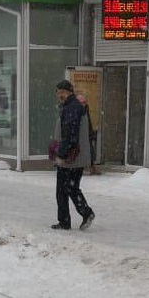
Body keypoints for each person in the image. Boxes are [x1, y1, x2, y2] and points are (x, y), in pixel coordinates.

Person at [51, 79, 95, 231]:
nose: (59, 95)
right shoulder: (72, 107)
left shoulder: (71, 108)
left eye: (61, 92)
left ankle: (75, 217)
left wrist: (61, 155)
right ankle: (77, 216)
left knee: (64, 189)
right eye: (58, 93)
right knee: (71, 188)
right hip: (76, 157)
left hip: (71, 158)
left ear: (67, 92)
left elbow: (70, 135)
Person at [76, 91, 101, 175]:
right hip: (78, 135)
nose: (84, 104)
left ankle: (91, 166)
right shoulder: (76, 111)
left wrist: (90, 133)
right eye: (82, 102)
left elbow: (88, 123)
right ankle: (81, 167)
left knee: (90, 150)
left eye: (85, 102)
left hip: (86, 134)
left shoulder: (85, 109)